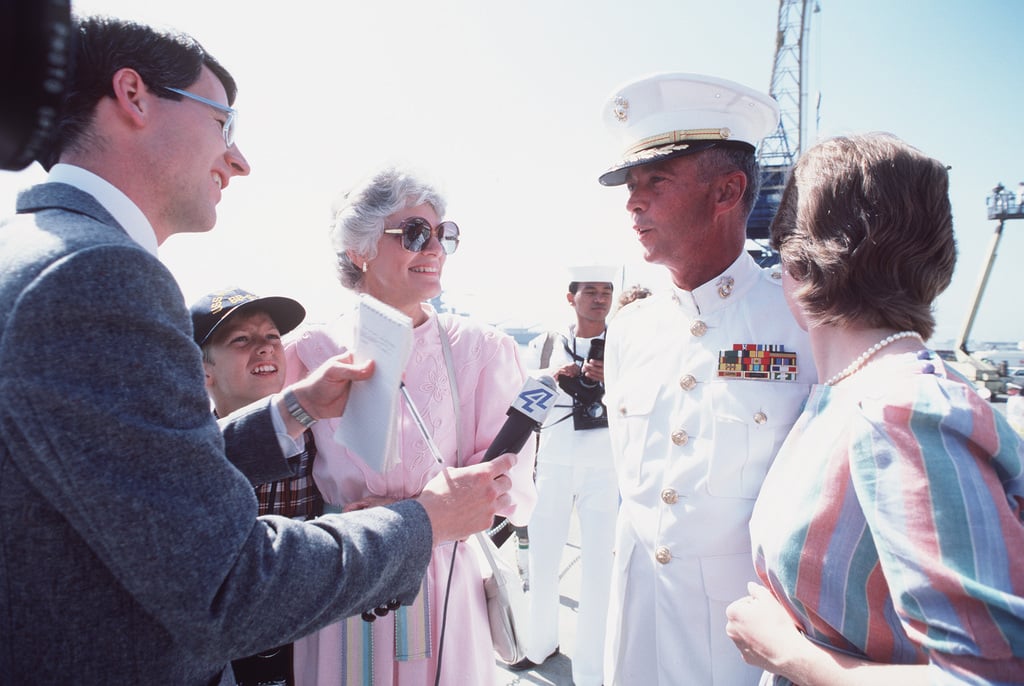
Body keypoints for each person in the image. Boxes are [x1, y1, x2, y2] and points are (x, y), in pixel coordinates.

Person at [0, 16, 518, 685]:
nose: (238, 159)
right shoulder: (97, 275)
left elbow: (134, 474)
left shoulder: (45, 249)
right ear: (133, 95)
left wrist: (292, 410)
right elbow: (227, 587)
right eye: (224, 123)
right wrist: (423, 520)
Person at [725, 132, 1024, 684]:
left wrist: (792, 657)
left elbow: (993, 677)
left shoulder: (901, 411)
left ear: (795, 259)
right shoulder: (849, 391)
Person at [596, 72, 817, 685]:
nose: (633, 203)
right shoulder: (631, 329)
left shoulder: (802, 323)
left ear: (727, 192)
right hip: (638, 629)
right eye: (630, 186)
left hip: (746, 645)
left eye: (654, 182)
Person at [285, 165, 538, 686]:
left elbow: (509, 483)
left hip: (443, 574)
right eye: (416, 234)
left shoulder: (483, 350)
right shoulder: (307, 353)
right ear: (360, 249)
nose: (436, 248)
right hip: (344, 567)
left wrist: (415, 517)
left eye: (444, 234)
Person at [192, 287, 322, 686]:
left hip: (312, 652)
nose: (265, 349)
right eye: (241, 340)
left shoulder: (326, 445)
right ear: (203, 369)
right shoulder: (181, 455)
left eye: (272, 337)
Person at [511, 266, 620, 686]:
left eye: (607, 290)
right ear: (570, 296)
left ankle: (592, 668)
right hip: (553, 464)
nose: (599, 298)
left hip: (605, 468)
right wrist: (552, 379)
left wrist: (613, 382)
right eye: (590, 291)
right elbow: (523, 405)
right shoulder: (545, 345)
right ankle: (538, 645)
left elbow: (645, 403)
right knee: (541, 560)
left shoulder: (625, 346)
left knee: (598, 568)